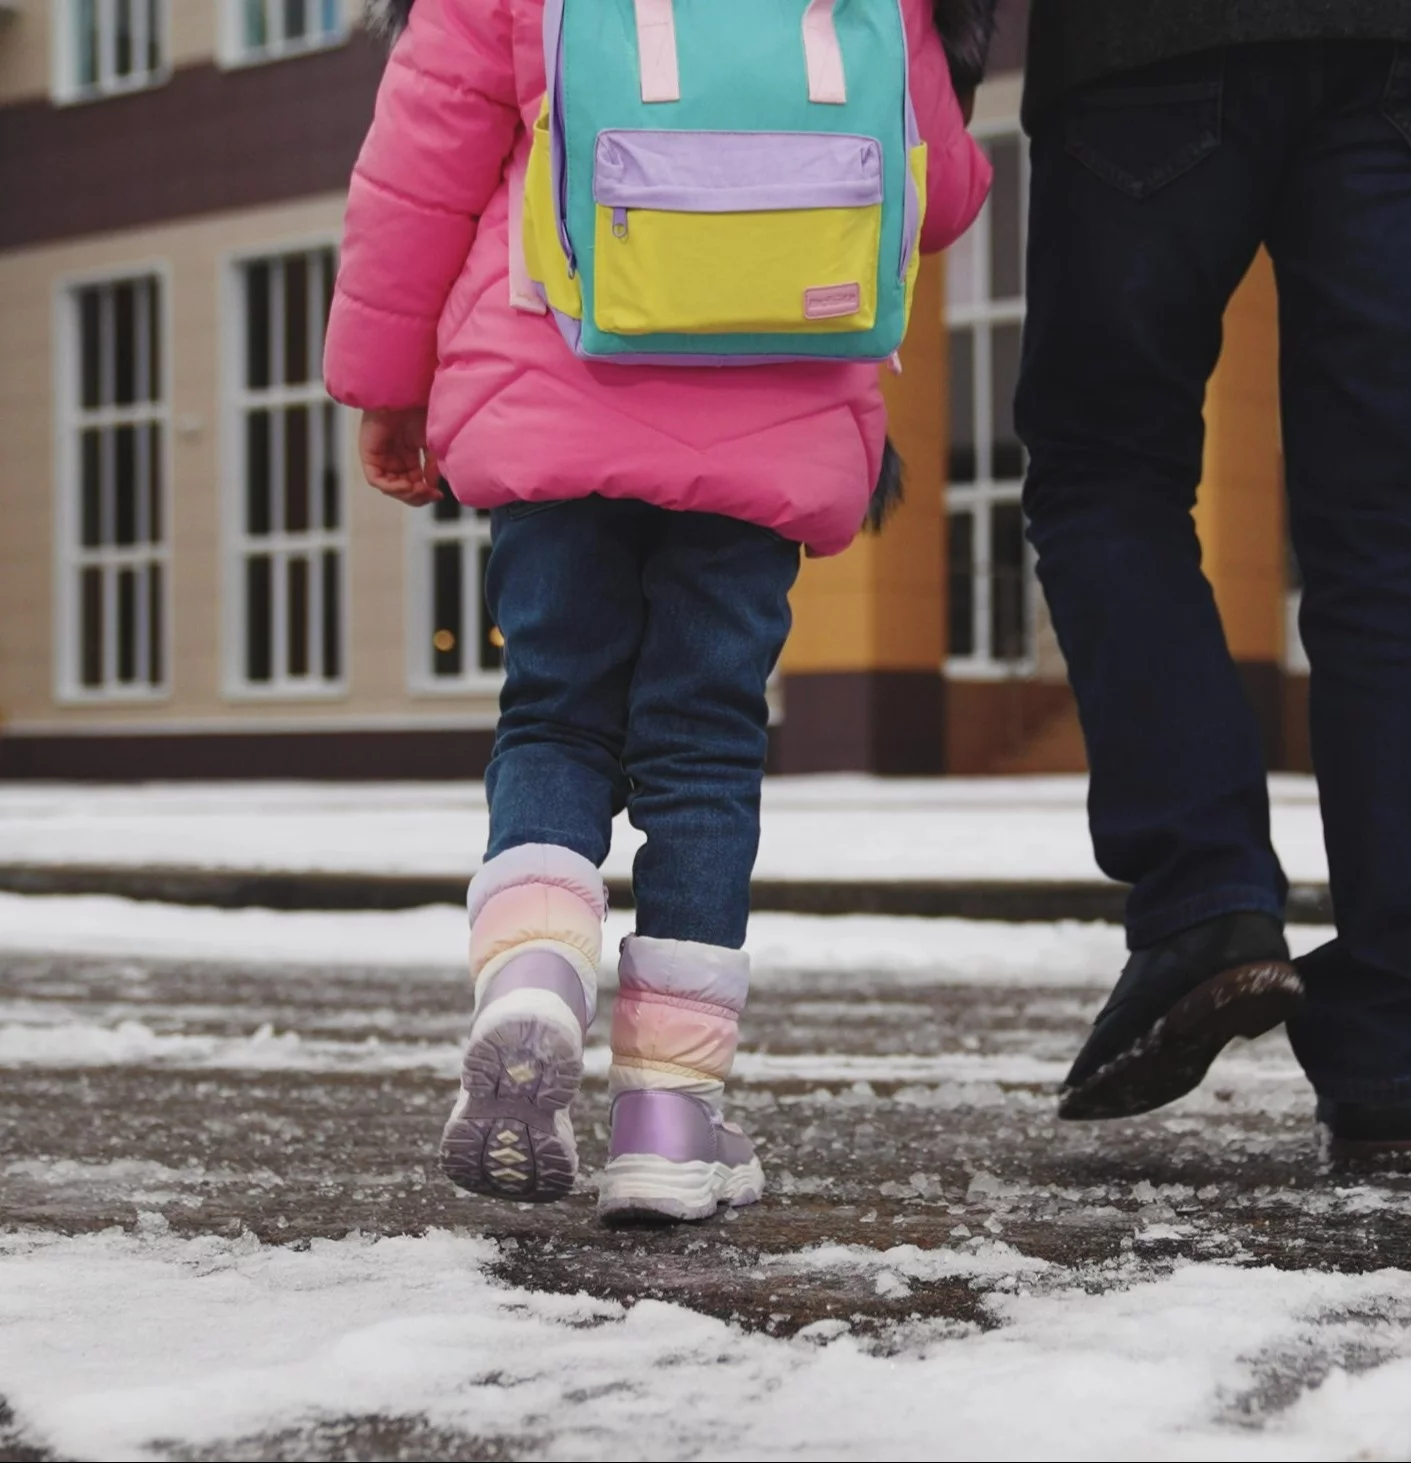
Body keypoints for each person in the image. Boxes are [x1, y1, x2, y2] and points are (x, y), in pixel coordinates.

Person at [324, 0, 993, 1222]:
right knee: (704, 750)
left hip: (550, 376)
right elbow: (937, 192)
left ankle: (532, 974)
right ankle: (669, 1123)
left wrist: (383, 385)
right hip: (770, 403)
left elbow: (414, 175)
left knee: (557, 715)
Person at [1017, 1, 1411, 1162]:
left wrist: (924, 53)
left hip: (1146, 50)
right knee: (1394, 526)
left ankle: (1206, 893)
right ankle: (1386, 1039)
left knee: (1105, 468)